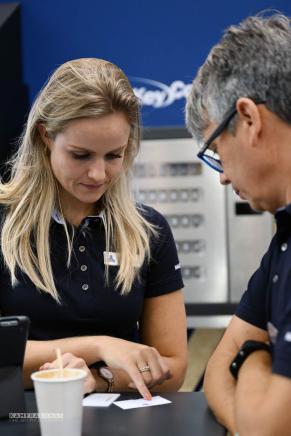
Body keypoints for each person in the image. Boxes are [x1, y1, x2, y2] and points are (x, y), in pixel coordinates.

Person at [0, 58, 188, 400]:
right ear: (45, 136)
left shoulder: (150, 232)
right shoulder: (4, 225)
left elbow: (170, 366)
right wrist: (99, 346)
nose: (98, 175)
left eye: (113, 156)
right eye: (81, 155)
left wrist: (98, 378)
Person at [186, 12, 291, 436]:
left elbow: (269, 427)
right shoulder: (283, 240)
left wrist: (249, 356)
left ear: (247, 119)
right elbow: (215, 370)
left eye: (216, 150)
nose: (223, 176)